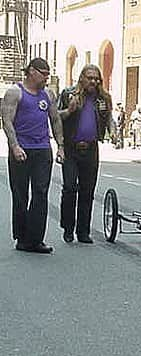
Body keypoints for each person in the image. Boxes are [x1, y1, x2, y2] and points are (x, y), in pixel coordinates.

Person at [1, 58, 64, 253]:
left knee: (40, 193)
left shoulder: (48, 95)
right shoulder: (14, 93)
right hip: (21, 149)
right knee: (20, 194)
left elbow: (55, 120)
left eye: (48, 73)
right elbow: (7, 122)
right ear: (31, 72)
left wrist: (61, 146)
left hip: (43, 150)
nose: (47, 77)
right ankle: (22, 237)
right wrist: (15, 146)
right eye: (43, 73)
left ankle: (35, 239)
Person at [58, 64, 116, 244]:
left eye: (96, 78)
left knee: (87, 191)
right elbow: (56, 117)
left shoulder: (103, 98)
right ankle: (68, 228)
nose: (93, 81)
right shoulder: (69, 95)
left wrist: (112, 131)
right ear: (81, 78)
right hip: (71, 148)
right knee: (69, 188)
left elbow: (109, 118)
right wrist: (69, 111)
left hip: (91, 150)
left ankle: (83, 231)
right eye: (90, 78)